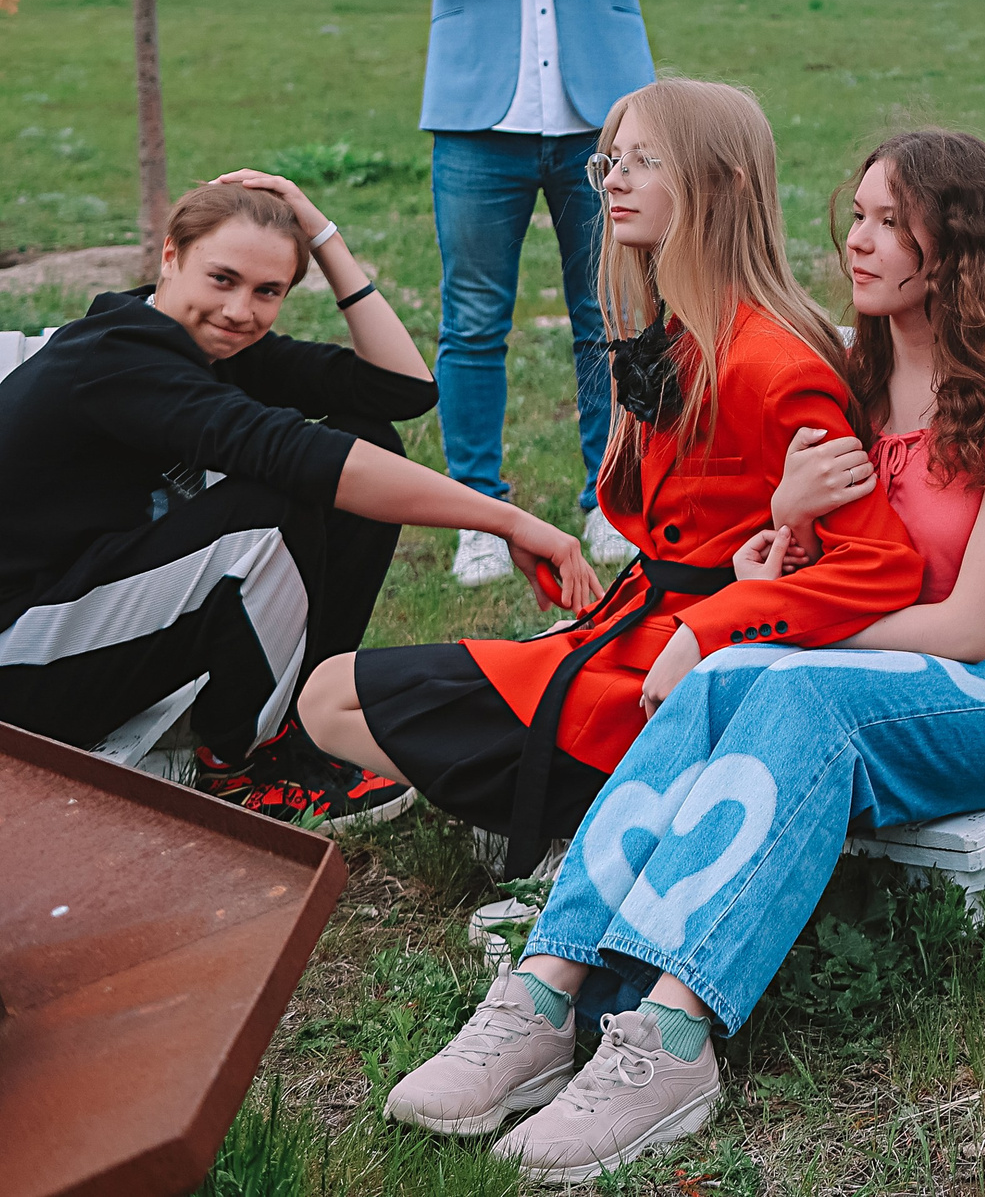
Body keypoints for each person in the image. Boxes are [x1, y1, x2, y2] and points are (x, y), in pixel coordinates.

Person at [380, 128, 985, 1181]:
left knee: (786, 683)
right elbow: (793, 569)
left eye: (895, 223)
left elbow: (969, 627)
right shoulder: (850, 383)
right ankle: (541, 995)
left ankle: (669, 1037)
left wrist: (774, 620)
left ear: (967, 247)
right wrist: (784, 539)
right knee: (730, 671)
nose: (859, 241)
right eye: (856, 214)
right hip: (861, 672)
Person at [302, 80, 923, 878]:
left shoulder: (774, 364)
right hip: (625, 629)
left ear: (725, 183)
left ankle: (609, 812)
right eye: (610, 163)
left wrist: (714, 625)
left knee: (331, 697)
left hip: (674, 679)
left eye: (644, 161)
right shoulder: (680, 331)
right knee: (329, 694)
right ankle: (579, 804)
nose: (615, 182)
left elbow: (883, 565)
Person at [0, 174, 602, 827]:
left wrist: (322, 235)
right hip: (20, 664)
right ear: (169, 255)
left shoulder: (207, 344)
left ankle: (297, 721)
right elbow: (302, 458)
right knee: (266, 512)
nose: (239, 310)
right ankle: (242, 769)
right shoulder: (119, 359)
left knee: (368, 441)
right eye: (222, 278)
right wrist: (505, 518)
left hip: (80, 611)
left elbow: (400, 392)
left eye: (268, 292)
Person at [383, 0, 692, 585]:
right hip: (480, 124)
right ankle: (481, 513)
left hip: (608, 130)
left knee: (618, 313)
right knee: (474, 321)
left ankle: (614, 498)